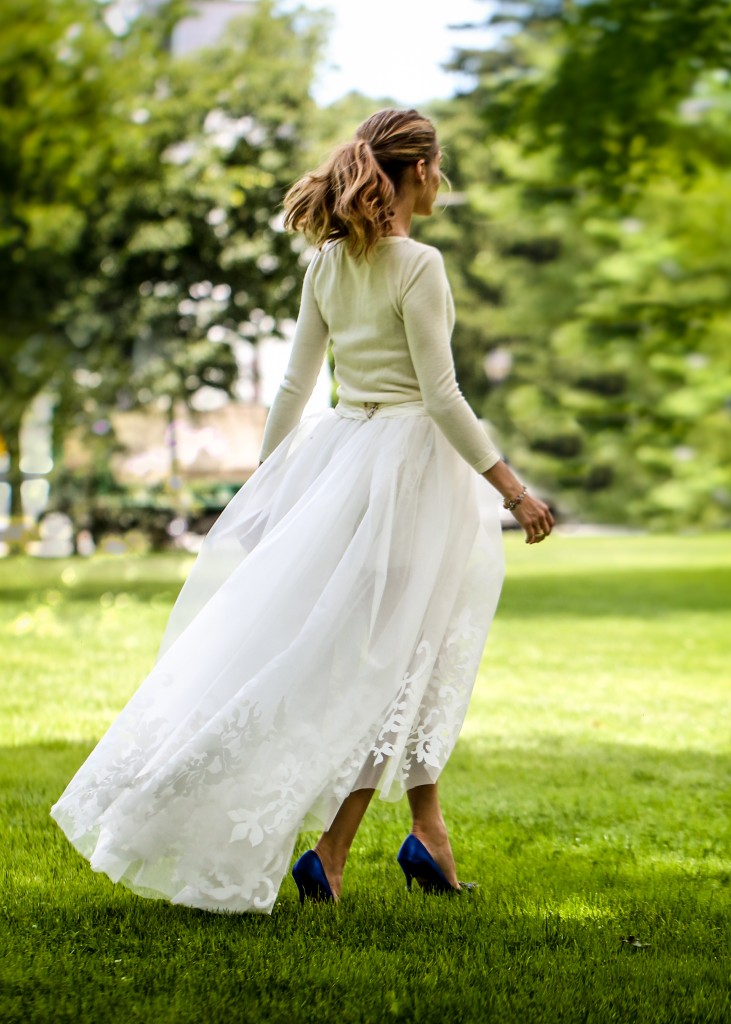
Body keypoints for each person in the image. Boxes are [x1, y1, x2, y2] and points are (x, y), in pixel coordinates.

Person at [50, 108, 554, 914]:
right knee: (395, 659)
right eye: (438, 167)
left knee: (407, 654)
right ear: (416, 171)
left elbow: (292, 388)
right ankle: (332, 848)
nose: (441, 180)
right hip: (412, 475)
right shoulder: (417, 264)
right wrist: (513, 489)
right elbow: (441, 396)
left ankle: (427, 831)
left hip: (344, 462)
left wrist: (273, 486)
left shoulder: (325, 265)